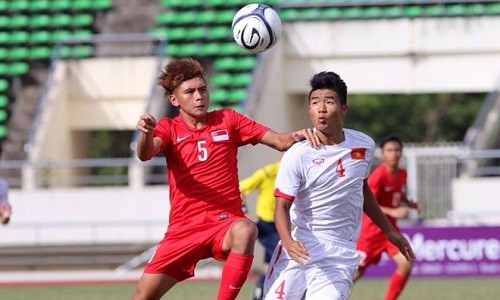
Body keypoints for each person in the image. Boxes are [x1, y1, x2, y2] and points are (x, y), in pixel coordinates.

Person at [131, 57, 318, 300]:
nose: (199, 96)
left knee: (246, 229)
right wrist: (145, 134)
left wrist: (303, 134)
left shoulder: (228, 119)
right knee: (142, 297)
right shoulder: (169, 127)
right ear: (174, 100)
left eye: (202, 89)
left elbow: (280, 141)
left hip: (224, 222)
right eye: (190, 92)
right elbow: (146, 153)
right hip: (184, 228)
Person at [262, 71, 415, 300]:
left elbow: (361, 189)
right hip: (300, 246)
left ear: (344, 109)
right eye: (315, 102)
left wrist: (389, 231)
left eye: (329, 101)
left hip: (340, 252)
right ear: (309, 110)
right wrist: (288, 242)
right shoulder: (298, 154)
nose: (321, 108)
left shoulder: (364, 145)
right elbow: (281, 206)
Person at [354, 134, 420, 300]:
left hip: (390, 232)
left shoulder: (402, 174)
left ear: (401, 152)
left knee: (406, 263)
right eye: (389, 150)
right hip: (370, 233)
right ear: (382, 154)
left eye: (397, 150)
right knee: (355, 273)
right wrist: (392, 211)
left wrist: (408, 203)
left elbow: (396, 193)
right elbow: (368, 203)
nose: (394, 154)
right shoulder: (378, 176)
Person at [239, 161, 281, 300]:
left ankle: (263, 289)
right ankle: (262, 283)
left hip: (282, 224)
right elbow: (240, 188)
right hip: (266, 224)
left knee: (271, 262)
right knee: (282, 256)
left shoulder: (301, 170)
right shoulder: (268, 172)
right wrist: (244, 211)